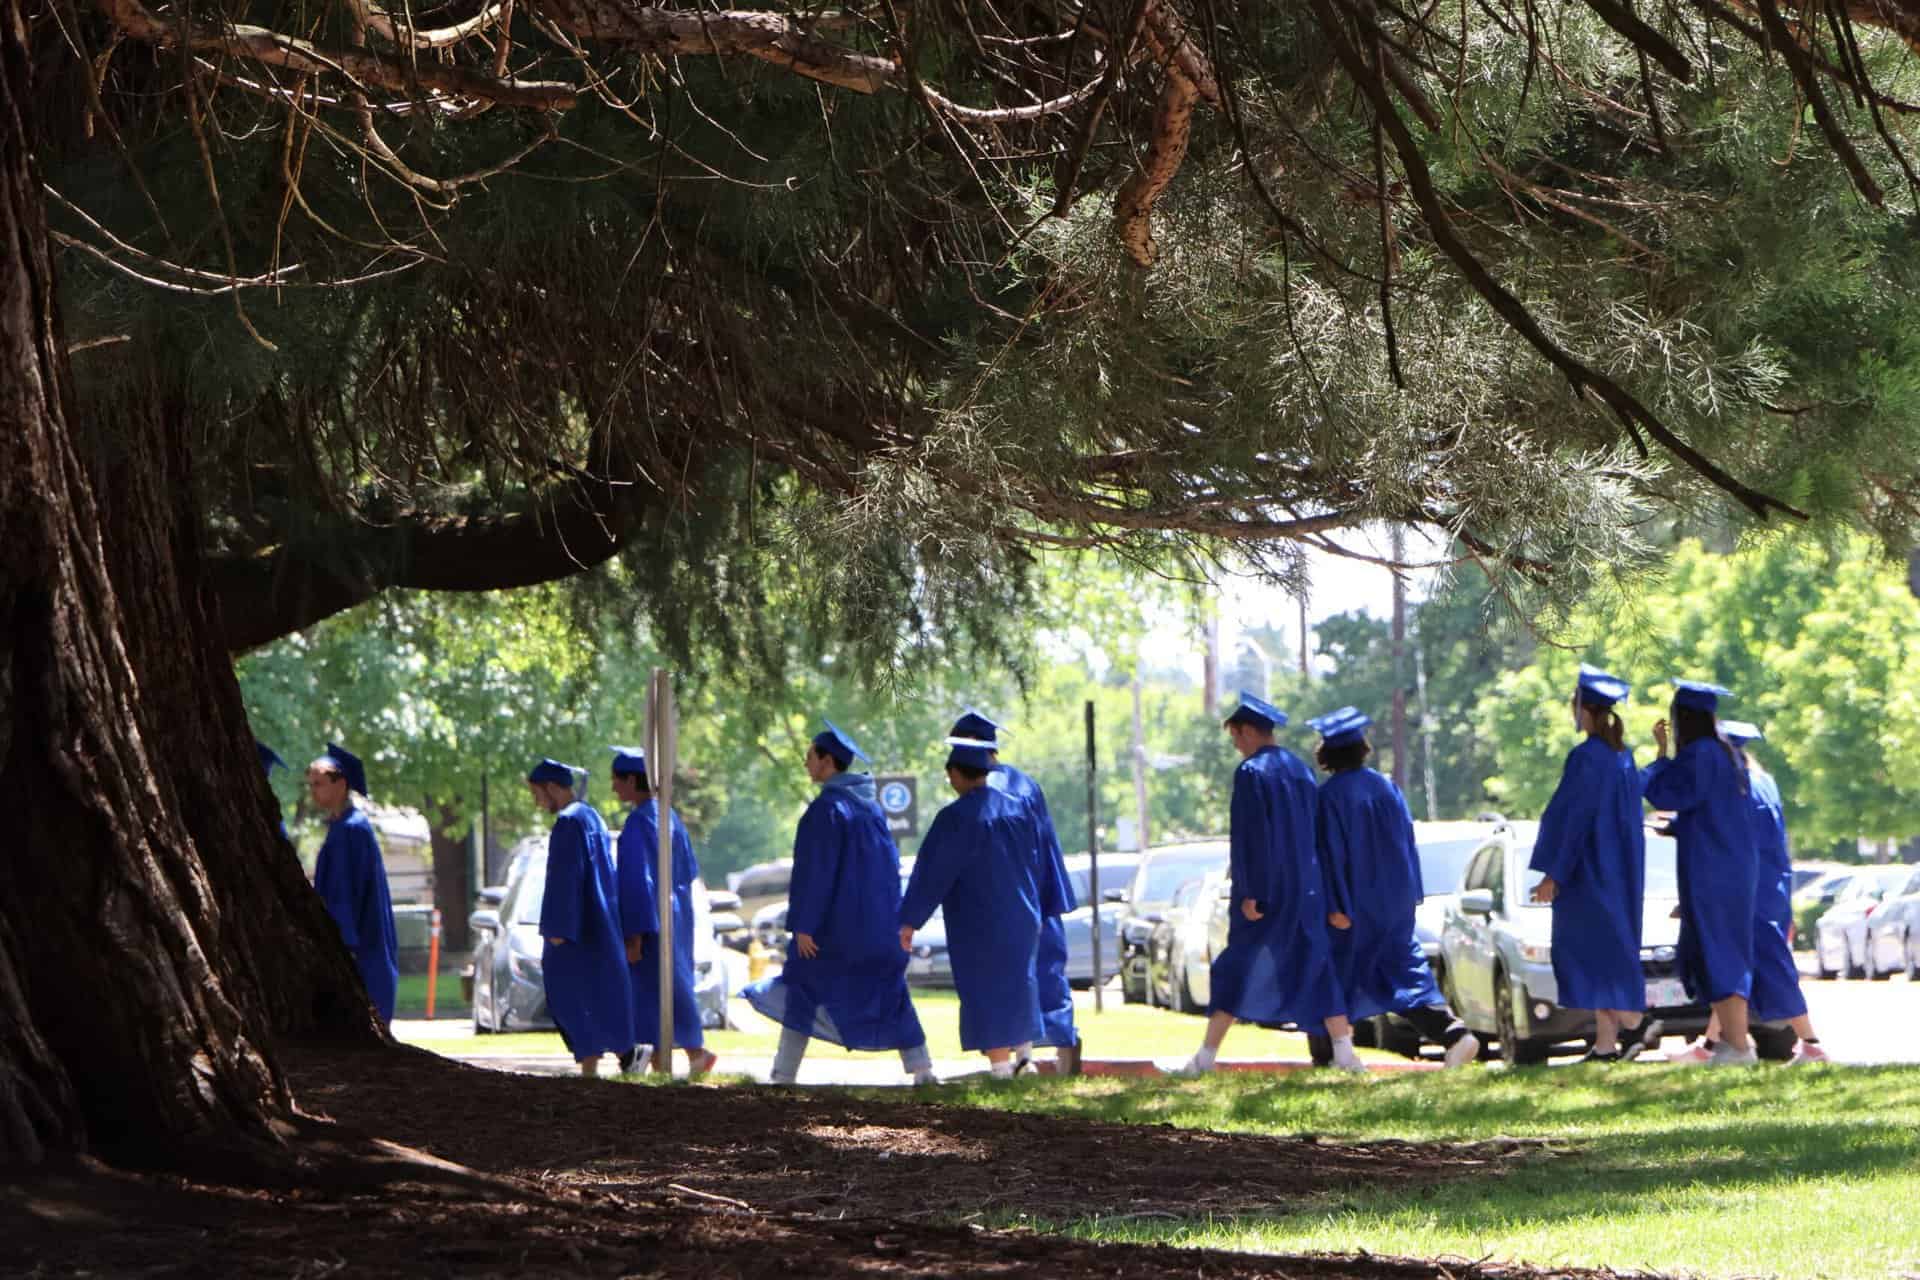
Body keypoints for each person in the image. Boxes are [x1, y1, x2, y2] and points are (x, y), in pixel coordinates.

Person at [1179, 692, 1359, 1075]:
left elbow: (1252, 838)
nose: (1235, 745)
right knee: (1317, 965)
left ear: (1247, 731)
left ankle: (1204, 1059)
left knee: (1235, 968)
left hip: (1269, 893)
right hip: (1307, 889)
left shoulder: (1251, 773)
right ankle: (1345, 1054)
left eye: (1235, 736)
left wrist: (1252, 893)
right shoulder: (1299, 769)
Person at [746, 722, 935, 1086]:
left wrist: (803, 925)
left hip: (833, 932)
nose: (806, 764)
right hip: (877, 929)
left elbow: (815, 873)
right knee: (890, 993)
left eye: (810, 757)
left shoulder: (827, 811)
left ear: (827, 761)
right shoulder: (873, 811)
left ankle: (783, 1075)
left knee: (802, 988)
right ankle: (922, 1069)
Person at [1310, 707, 1480, 1069]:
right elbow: (1407, 843)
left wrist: (1336, 905)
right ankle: (1454, 1034)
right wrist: (1411, 895)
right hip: (1393, 902)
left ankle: (1331, 1055)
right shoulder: (1386, 787)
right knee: (1402, 972)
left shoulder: (1330, 797)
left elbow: (1331, 855)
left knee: (1330, 972)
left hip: (1352, 905)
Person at [1670, 722, 1829, 1066]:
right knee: (1733, 969)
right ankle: (1710, 1046)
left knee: (1758, 965)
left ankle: (1811, 1044)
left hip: (1746, 890)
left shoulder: (1736, 789)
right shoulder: (1763, 783)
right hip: (1768, 886)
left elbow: (1726, 841)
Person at [1526, 666, 1654, 1062]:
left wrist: (1555, 874)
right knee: (1608, 954)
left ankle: (1635, 1022)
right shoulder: (1623, 758)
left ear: (1584, 710)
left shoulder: (1586, 758)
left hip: (1589, 874)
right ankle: (1604, 1044)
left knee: (1587, 955)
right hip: (1620, 874)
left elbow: (1573, 819)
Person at [900, 734, 1044, 1080]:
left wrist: (909, 921)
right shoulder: (1018, 809)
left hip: (980, 919)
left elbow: (932, 873)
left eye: (950, 773)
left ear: (959, 773)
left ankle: (1000, 1068)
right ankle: (1025, 1058)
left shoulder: (956, 818)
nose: (949, 780)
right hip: (1024, 913)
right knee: (1020, 982)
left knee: (986, 987)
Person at [949, 708, 1080, 1076]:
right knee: (1041, 974)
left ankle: (1007, 1061)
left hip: (996, 904)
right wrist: (1051, 899)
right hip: (1035, 896)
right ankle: (1041, 1056)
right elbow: (1047, 847)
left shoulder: (983, 792)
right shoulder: (1026, 784)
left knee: (999, 980)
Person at [1642, 679, 1759, 1066]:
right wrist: (1678, 827)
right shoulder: (1727, 755)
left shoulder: (1701, 755)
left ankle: (1739, 1047)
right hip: (1730, 866)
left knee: (1719, 952)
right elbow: (1716, 814)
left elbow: (1665, 794)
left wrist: (1659, 756)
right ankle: (1734, 1043)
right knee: (1723, 952)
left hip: (1713, 870)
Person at [608, 746, 715, 1078]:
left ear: (631, 779)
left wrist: (634, 934)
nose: (613, 788)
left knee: (650, 991)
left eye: (616, 780)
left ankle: (684, 1056)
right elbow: (689, 871)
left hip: (651, 918)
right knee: (673, 985)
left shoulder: (639, 823)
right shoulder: (669, 816)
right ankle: (672, 1059)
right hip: (677, 914)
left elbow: (636, 882)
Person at [528, 757, 634, 1077]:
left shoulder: (568, 822)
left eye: (537, 793)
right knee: (600, 992)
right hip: (599, 921)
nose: (536, 802)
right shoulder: (592, 817)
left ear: (551, 787)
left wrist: (558, 928)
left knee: (568, 993)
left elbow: (565, 877)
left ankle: (613, 1055)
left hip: (574, 927)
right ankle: (601, 1061)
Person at [307, 743, 399, 1026]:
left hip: (360, 944)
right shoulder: (342, 827)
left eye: (319, 783)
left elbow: (344, 894)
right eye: (310, 785)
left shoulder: (351, 830)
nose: (313, 791)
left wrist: (340, 941)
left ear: (341, 783)